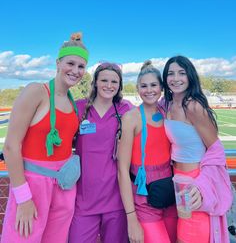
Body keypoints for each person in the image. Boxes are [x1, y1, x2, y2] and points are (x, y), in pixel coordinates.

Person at [2, 32, 89, 243]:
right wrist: (23, 198)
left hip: (64, 186)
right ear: (58, 62)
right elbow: (12, 146)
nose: (75, 71)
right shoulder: (36, 92)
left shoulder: (72, 103)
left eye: (81, 66)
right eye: (70, 63)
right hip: (33, 185)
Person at [162, 55, 233, 243]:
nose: (176, 78)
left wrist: (201, 186)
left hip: (195, 182)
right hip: (177, 179)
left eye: (182, 73)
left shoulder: (193, 106)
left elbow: (216, 150)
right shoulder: (167, 104)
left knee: (191, 236)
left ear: (190, 76)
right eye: (171, 73)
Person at [69, 62, 133, 243]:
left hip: (116, 200)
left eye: (114, 81)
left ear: (119, 85)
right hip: (84, 200)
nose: (109, 85)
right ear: (95, 82)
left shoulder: (125, 109)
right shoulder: (80, 108)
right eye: (104, 80)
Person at [118, 60, 177, 243]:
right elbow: (122, 170)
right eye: (144, 86)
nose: (149, 90)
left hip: (170, 192)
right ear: (137, 88)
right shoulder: (131, 118)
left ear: (161, 87)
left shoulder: (167, 111)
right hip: (144, 198)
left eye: (153, 85)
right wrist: (131, 218)